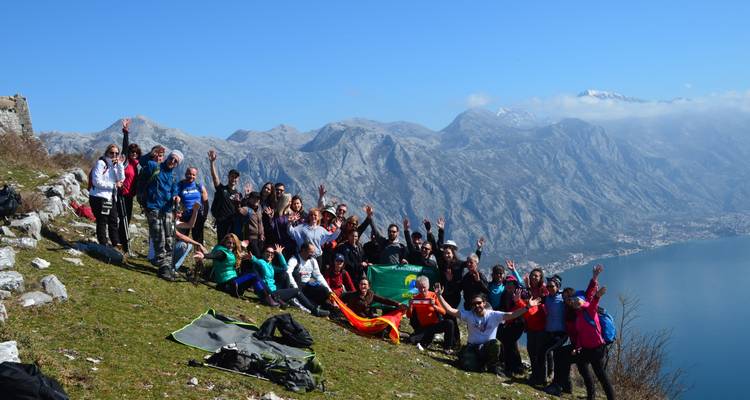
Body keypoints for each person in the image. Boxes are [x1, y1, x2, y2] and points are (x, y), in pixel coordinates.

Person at [436, 282, 540, 374]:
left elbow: (512, 314)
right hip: (473, 347)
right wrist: (439, 296)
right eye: (474, 304)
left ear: (484, 303)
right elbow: (450, 310)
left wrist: (527, 307)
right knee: (469, 367)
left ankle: (492, 365)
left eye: (479, 303)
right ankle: (478, 362)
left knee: (496, 344)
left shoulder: (493, 315)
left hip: (487, 347)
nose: (477, 306)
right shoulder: (469, 315)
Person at [566, 265, 615, 400]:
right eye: (573, 301)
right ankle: (590, 396)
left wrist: (595, 281)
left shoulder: (590, 310)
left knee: (601, 375)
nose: (575, 302)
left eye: (578, 300)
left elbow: (593, 300)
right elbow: (581, 334)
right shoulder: (578, 315)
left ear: (583, 301)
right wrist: (577, 348)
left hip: (598, 349)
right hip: (586, 349)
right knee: (583, 368)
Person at [253, 242, 330, 317]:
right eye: (268, 252)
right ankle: (314, 310)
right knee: (296, 290)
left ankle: (320, 308)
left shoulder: (271, 266)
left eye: (272, 253)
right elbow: (258, 262)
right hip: (269, 294)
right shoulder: (261, 262)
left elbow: (284, 268)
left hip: (274, 293)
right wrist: (253, 258)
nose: (270, 254)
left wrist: (280, 254)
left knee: (285, 274)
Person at [193, 234, 274, 304]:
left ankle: (267, 297)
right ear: (224, 242)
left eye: (233, 243)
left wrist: (241, 245)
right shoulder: (222, 252)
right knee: (253, 274)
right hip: (227, 284)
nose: (231, 245)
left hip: (233, 282)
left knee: (254, 277)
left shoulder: (229, 252)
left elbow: (236, 253)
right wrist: (204, 256)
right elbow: (214, 255)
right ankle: (270, 296)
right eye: (229, 243)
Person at [141, 148, 182, 280]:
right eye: (172, 158)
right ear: (167, 157)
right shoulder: (155, 166)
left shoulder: (173, 176)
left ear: (177, 164)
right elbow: (142, 161)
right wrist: (151, 154)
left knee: (169, 239)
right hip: (154, 207)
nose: (173, 161)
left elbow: (174, 189)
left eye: (176, 161)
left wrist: (176, 196)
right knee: (159, 237)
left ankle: (168, 266)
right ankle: (163, 267)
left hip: (168, 209)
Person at [89, 143, 125, 248]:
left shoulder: (114, 165)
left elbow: (121, 179)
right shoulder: (101, 163)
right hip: (99, 196)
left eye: (116, 153)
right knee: (102, 220)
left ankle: (115, 242)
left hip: (110, 197)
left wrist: (120, 165)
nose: (114, 155)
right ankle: (103, 243)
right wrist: (113, 186)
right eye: (112, 153)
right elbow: (96, 181)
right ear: (107, 152)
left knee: (113, 219)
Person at [407, 276, 455, 351]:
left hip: (434, 325)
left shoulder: (434, 295)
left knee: (450, 323)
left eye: (424, 287)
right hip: (423, 327)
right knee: (413, 340)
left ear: (428, 286)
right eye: (419, 288)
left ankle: (447, 348)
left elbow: (444, 311)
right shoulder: (415, 298)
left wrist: (434, 306)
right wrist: (410, 305)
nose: (422, 290)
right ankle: (425, 340)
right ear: (417, 287)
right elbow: (408, 315)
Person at [117, 118, 141, 254]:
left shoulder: (137, 165)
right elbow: (125, 147)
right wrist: (125, 132)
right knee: (123, 220)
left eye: (136, 153)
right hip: (121, 194)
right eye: (132, 152)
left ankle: (123, 245)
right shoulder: (125, 162)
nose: (134, 154)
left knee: (127, 219)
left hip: (130, 196)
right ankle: (124, 247)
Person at [286, 241, 333, 308]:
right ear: (303, 250)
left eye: (313, 252)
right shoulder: (294, 259)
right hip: (298, 285)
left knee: (325, 290)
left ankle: (320, 304)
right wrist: (295, 287)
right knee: (296, 274)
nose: (312, 254)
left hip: (308, 285)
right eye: (310, 252)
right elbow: (288, 273)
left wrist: (330, 291)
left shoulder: (313, 261)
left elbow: (318, 276)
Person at [208, 149, 242, 240]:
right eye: (232, 176)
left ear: (238, 179)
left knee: (234, 244)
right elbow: (215, 178)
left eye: (236, 177)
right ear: (228, 177)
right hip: (222, 222)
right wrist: (212, 163)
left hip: (234, 223)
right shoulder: (222, 189)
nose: (234, 179)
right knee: (222, 243)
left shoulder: (239, 194)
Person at [340, 277, 405, 318]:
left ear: (368, 286)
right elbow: (341, 297)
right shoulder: (353, 295)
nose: (363, 286)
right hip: (356, 319)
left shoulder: (371, 294)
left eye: (365, 284)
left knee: (389, 311)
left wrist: (397, 304)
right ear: (359, 286)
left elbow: (384, 300)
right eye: (361, 284)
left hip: (368, 318)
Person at [177, 166, 209, 244]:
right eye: (189, 174)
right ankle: (180, 253)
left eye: (193, 175)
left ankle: (200, 254)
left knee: (198, 238)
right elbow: (175, 197)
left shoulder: (199, 186)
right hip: (185, 215)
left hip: (198, 215)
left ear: (196, 176)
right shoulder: (180, 185)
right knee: (182, 238)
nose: (191, 176)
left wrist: (204, 216)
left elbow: (206, 203)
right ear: (185, 174)